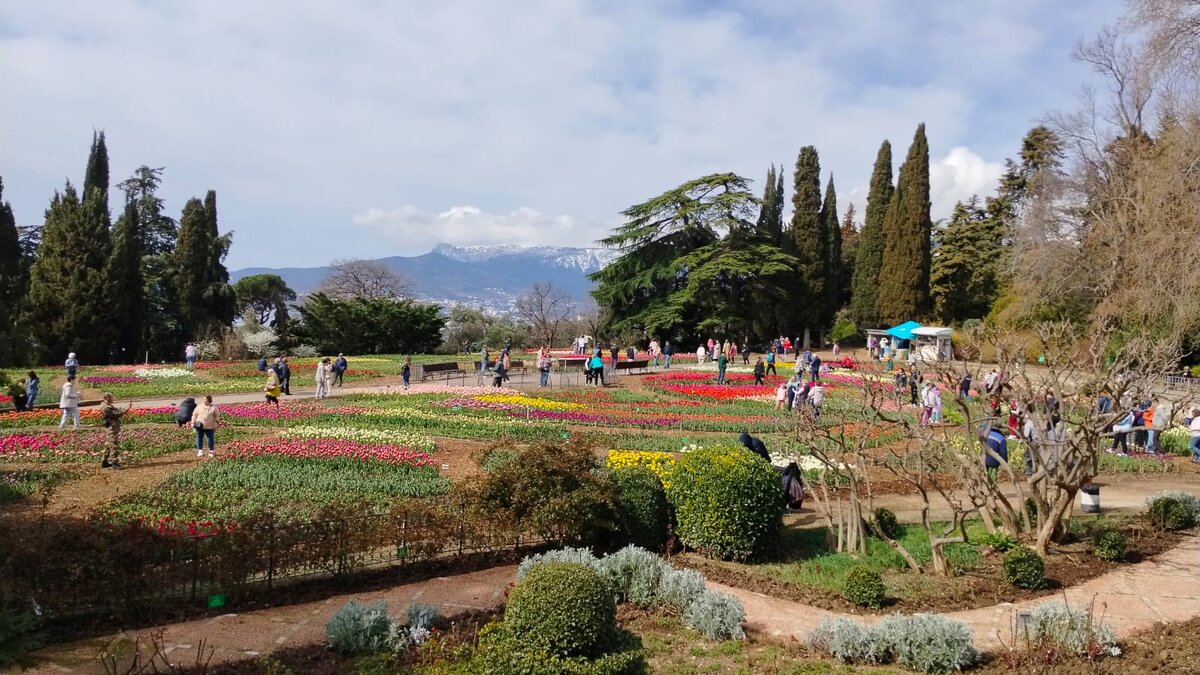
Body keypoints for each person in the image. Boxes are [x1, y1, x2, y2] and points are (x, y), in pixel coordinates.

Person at [99, 393, 132, 469]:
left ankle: (104, 461)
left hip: (111, 427)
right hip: (112, 428)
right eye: (111, 397)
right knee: (113, 444)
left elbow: (116, 410)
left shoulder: (106, 406)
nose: (112, 399)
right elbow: (117, 413)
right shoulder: (106, 407)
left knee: (108, 445)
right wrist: (127, 408)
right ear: (107, 398)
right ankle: (114, 462)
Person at [190, 394, 220, 459]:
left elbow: (217, 416)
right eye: (203, 399)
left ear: (209, 400)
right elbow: (194, 415)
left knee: (210, 439)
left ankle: (211, 451)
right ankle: (200, 451)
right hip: (200, 426)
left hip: (209, 426)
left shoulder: (213, 408)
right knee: (199, 438)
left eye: (205, 399)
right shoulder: (199, 407)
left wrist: (215, 423)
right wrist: (192, 423)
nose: (204, 401)